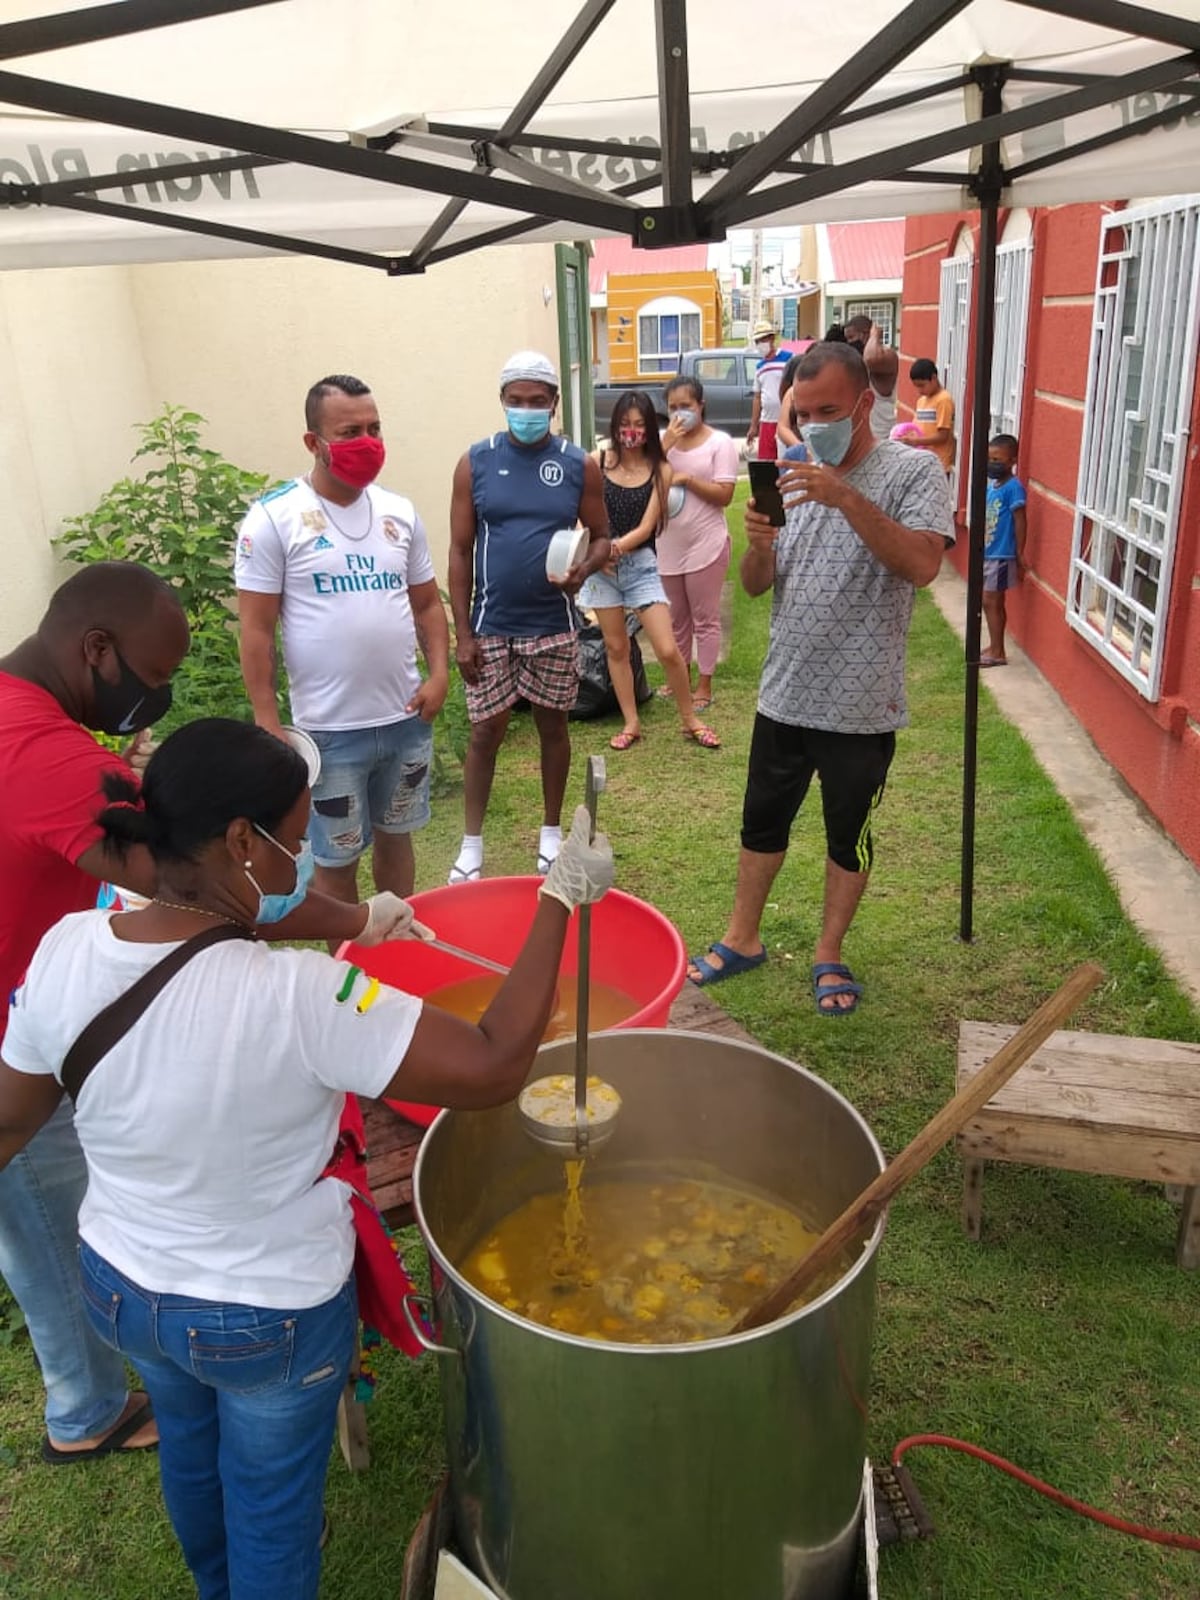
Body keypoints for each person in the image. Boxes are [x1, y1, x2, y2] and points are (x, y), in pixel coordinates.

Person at [0, 718, 613, 1600]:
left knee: (194, 1454)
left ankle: (216, 1585)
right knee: (272, 1509)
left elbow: (11, 1119)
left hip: (124, 1287)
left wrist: (362, 919)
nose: (304, 860)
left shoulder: (64, 949)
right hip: (264, 1315)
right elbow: (493, 1062)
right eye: (294, 842)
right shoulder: (306, 996)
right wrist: (560, 898)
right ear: (242, 842)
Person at [0, 563, 425, 1471]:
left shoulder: (17, 716)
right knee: (44, 1211)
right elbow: (205, 886)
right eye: (152, 677)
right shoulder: (52, 760)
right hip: (26, 1020)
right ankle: (88, 1407)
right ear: (96, 650)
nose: (152, 699)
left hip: (40, 995)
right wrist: (358, 918)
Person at [686, 343, 955, 1014]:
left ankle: (828, 952)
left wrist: (845, 498)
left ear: (865, 403)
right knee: (761, 824)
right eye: (802, 415)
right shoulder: (787, 474)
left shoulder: (914, 470)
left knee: (847, 834)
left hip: (862, 708)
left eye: (828, 411)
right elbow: (754, 588)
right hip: (785, 695)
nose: (813, 427)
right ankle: (742, 937)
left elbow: (923, 565)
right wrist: (759, 546)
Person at [236, 373, 450, 906]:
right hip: (329, 734)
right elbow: (256, 630)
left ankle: (398, 953)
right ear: (314, 443)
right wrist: (266, 721)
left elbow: (426, 602)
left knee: (397, 841)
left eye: (375, 427)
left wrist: (440, 674)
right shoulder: (273, 519)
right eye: (351, 431)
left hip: (404, 719)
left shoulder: (399, 513)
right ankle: (350, 978)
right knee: (336, 860)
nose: (368, 442)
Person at [447, 351, 610, 883]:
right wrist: (463, 635)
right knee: (484, 733)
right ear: (502, 402)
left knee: (553, 728)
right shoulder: (476, 461)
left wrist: (583, 571)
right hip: (491, 625)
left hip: (552, 626)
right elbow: (459, 549)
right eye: (516, 401)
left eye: (536, 402)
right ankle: (471, 845)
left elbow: (603, 537)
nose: (526, 411)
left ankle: (549, 833)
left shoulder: (576, 463)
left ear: (553, 404)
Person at [578, 392, 719, 752]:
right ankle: (631, 723)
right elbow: (581, 509)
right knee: (615, 646)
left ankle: (690, 720)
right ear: (614, 426)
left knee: (668, 649)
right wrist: (595, 553)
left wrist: (612, 549)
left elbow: (647, 527)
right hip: (601, 570)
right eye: (625, 424)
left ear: (650, 429)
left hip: (639, 565)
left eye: (639, 425)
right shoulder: (600, 461)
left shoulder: (662, 470)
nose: (631, 432)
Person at [657, 376, 738, 713]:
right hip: (668, 544)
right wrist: (666, 445)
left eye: (686, 406)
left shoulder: (719, 443)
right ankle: (680, 677)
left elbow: (725, 495)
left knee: (705, 617)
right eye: (673, 408)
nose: (680, 414)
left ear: (700, 405)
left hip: (706, 543)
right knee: (677, 619)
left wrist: (688, 479)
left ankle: (704, 684)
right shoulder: (663, 442)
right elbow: (642, 475)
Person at [981, 434, 1028, 667]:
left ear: (1011, 460)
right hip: (988, 553)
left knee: (992, 601)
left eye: (998, 459)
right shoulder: (993, 486)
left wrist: (1019, 552)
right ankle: (994, 644)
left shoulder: (1014, 488)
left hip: (1001, 555)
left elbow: (1021, 520)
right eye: (990, 458)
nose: (992, 463)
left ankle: (998, 652)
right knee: (990, 602)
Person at [844, 315, 900, 441]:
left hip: (885, 440)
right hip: (866, 442)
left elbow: (871, 358)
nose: (849, 343)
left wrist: (875, 335)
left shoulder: (887, 357)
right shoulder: (858, 363)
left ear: (865, 334)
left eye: (852, 337)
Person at [745, 319, 790, 461]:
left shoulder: (788, 358)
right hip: (767, 421)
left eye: (762, 339)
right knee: (766, 463)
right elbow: (757, 397)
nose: (760, 344)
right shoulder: (760, 367)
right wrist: (753, 425)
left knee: (786, 461)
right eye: (757, 341)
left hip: (786, 419)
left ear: (772, 338)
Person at [906, 358, 957, 476]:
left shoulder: (943, 400)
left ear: (933, 378)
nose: (919, 390)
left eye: (922, 385)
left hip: (939, 465)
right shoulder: (921, 401)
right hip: (922, 461)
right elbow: (917, 427)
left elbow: (943, 435)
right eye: (916, 386)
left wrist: (916, 441)